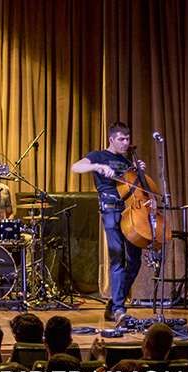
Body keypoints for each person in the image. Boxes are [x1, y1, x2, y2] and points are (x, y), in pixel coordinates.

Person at [71, 122, 146, 322]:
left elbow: (136, 189)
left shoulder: (127, 161)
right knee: (117, 256)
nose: (126, 142)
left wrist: (138, 173)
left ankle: (114, 303)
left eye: (127, 139)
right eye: (121, 139)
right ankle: (119, 309)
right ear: (111, 139)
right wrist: (97, 166)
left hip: (131, 212)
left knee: (135, 260)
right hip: (111, 209)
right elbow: (76, 167)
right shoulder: (99, 156)